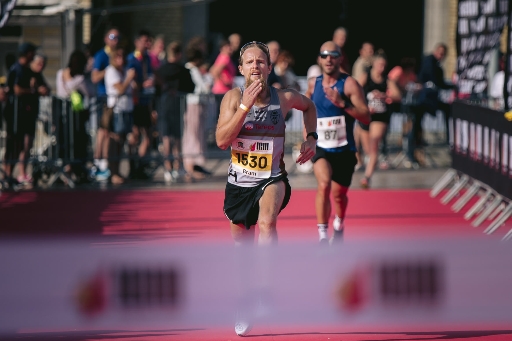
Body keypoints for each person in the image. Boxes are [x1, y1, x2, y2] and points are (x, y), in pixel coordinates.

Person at [216, 40, 317, 247]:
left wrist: (311, 138)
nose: (255, 66)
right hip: (239, 183)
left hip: (272, 178)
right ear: (241, 68)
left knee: (266, 223)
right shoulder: (233, 98)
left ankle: (267, 276)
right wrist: (244, 107)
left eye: (261, 62)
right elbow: (222, 142)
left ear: (269, 68)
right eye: (250, 62)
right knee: (242, 246)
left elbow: (309, 106)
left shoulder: (283, 98)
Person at [304, 41, 370, 244]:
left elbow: (366, 116)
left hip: (344, 148)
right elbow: (306, 110)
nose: (328, 59)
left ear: (340, 58)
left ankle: (339, 223)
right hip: (321, 146)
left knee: (339, 194)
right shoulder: (313, 84)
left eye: (333, 55)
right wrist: (308, 138)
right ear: (319, 59)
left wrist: (343, 104)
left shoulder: (349, 84)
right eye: (324, 55)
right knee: (323, 185)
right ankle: (323, 236)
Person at [4, 42, 49, 187]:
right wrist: (32, 91)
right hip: (15, 114)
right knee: (13, 145)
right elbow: (16, 90)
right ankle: (7, 175)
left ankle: (11, 175)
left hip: (26, 114)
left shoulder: (29, 71)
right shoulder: (17, 69)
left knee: (22, 146)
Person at [354, 53, 401, 188]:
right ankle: (364, 163)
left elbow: (398, 95)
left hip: (380, 116)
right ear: (374, 64)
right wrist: (364, 105)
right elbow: (354, 90)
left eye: (384, 66)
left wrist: (385, 96)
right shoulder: (366, 77)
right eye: (380, 65)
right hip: (366, 115)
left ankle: (367, 177)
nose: (382, 68)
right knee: (367, 148)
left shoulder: (387, 80)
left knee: (374, 144)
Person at [154, 41, 195, 183]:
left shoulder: (160, 70)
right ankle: (178, 167)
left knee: (166, 138)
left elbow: (155, 90)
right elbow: (191, 88)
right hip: (177, 106)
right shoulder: (182, 70)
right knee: (177, 139)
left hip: (163, 107)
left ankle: (168, 168)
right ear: (179, 54)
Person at [408, 43, 455, 165]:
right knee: (415, 125)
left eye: (443, 54)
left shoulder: (437, 66)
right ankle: (411, 151)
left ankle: (450, 141)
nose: (441, 55)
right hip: (422, 100)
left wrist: (453, 86)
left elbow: (440, 83)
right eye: (439, 52)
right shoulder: (429, 61)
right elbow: (432, 79)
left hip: (430, 99)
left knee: (446, 110)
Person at [56, 49, 95, 183]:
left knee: (71, 142)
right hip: (70, 116)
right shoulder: (74, 77)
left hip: (70, 115)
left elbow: (89, 92)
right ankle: (70, 168)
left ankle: (73, 168)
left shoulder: (67, 75)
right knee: (71, 142)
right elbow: (89, 92)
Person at [91, 27, 120, 180]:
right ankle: (99, 163)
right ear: (106, 38)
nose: (115, 40)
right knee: (103, 132)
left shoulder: (118, 55)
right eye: (112, 36)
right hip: (104, 99)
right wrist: (108, 70)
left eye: (117, 37)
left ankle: (106, 164)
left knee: (112, 134)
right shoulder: (101, 55)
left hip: (116, 101)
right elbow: (94, 77)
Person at [103, 47, 136, 185]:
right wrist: (129, 78)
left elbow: (132, 88)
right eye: (118, 57)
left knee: (122, 142)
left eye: (122, 57)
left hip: (126, 109)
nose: (121, 60)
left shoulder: (124, 71)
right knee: (115, 142)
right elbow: (121, 89)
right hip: (116, 110)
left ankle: (119, 171)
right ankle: (113, 172)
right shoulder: (111, 71)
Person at [182, 38, 212, 180]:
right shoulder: (191, 69)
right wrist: (208, 83)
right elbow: (201, 88)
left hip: (198, 104)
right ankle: (190, 166)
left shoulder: (195, 70)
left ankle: (196, 164)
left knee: (198, 135)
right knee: (192, 135)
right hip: (192, 104)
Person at [127, 29, 155, 179]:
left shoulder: (148, 58)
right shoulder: (132, 59)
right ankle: (133, 166)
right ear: (137, 42)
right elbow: (131, 81)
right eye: (145, 41)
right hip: (134, 102)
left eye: (149, 41)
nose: (148, 44)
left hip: (145, 101)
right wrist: (141, 84)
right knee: (135, 135)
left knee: (148, 135)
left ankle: (140, 165)